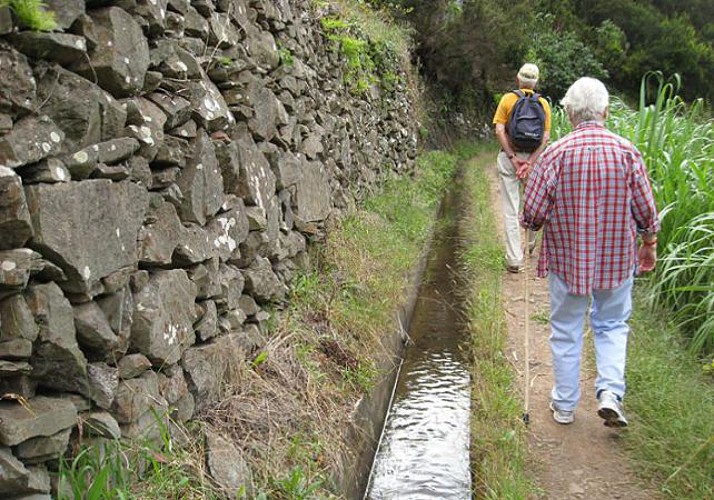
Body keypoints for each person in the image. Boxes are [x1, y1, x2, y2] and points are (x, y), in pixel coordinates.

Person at [520, 77, 659, 427]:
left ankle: (565, 406)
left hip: (568, 261)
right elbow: (645, 209)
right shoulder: (627, 152)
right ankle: (610, 393)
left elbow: (533, 213)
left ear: (568, 114)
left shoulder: (555, 153)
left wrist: (534, 224)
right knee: (612, 324)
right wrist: (649, 243)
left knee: (566, 328)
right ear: (606, 111)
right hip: (616, 258)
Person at [493, 63, 552, 273]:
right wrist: (531, 162)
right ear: (535, 82)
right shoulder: (543, 104)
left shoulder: (508, 100)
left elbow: (500, 130)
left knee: (511, 209)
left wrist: (512, 157)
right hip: (534, 162)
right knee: (533, 205)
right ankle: (530, 243)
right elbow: (545, 137)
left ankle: (514, 260)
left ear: (519, 79)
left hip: (510, 158)